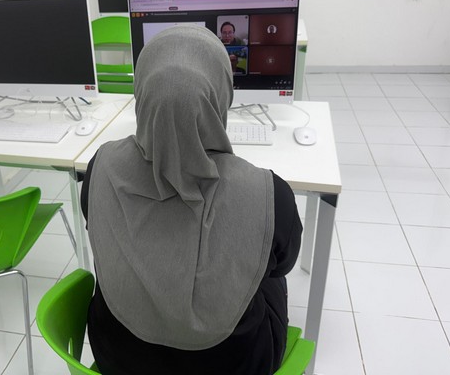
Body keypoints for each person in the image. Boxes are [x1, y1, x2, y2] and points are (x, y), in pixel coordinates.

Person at [80, 25, 302, 375]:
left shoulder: (100, 166)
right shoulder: (270, 194)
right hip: (236, 364)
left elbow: (94, 222)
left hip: (119, 356)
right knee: (264, 263)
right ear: (222, 95)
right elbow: (282, 265)